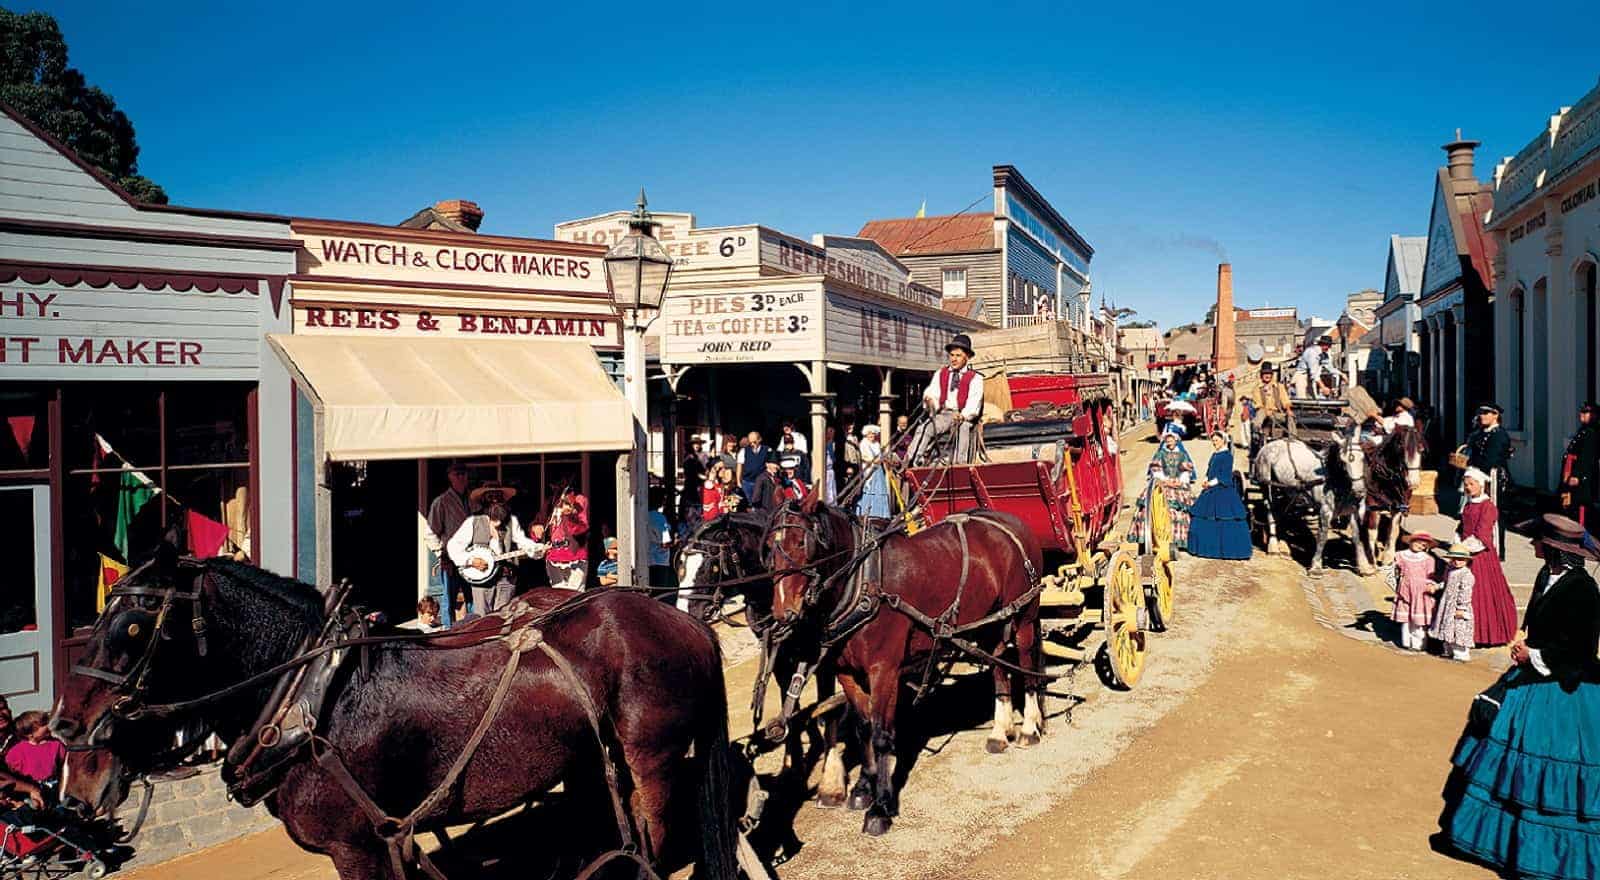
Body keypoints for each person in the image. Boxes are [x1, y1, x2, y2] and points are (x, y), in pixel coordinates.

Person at [1437, 514, 1600, 879]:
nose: (1532, 545)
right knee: (1495, 741)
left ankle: (1551, 857)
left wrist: (1535, 656)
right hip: (1531, 677)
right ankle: (1495, 841)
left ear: (1555, 549)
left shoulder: (1584, 591)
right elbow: (1541, 625)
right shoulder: (1546, 576)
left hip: (1563, 688)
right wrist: (1526, 643)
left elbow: (1580, 650)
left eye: (1538, 541)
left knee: (1551, 766)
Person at [446, 486, 542, 613]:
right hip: (481, 581)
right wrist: (471, 561)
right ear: (483, 501)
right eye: (490, 497)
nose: (495, 501)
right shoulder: (474, 522)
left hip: (506, 579)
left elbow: (523, 542)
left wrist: (537, 549)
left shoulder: (511, 521)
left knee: (504, 620)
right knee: (482, 621)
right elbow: (453, 546)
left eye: (498, 497)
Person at [1457, 468, 1516, 647]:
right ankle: (1461, 632)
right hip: (1464, 554)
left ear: (1481, 485)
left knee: (1481, 595)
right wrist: (1457, 542)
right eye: (1466, 484)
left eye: (1471, 484)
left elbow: (1483, 534)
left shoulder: (1488, 506)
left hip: (1480, 556)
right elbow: (1461, 527)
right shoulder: (1468, 504)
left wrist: (1463, 548)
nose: (1468, 487)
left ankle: (1483, 634)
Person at [906, 333, 985, 465]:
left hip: (962, 416)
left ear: (967, 357)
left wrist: (963, 415)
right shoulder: (941, 373)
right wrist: (930, 401)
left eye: (958, 355)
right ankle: (911, 459)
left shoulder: (975, 378)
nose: (954, 359)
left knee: (963, 428)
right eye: (952, 355)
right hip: (944, 415)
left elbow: (974, 403)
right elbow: (933, 393)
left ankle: (960, 463)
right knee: (925, 427)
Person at [1186, 431, 1251, 559]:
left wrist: (1211, 483)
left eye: (1216, 440)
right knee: (1203, 515)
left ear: (1223, 441)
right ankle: (1206, 548)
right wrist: (1205, 479)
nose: (1214, 443)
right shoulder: (1215, 454)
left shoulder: (1227, 456)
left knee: (1224, 517)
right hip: (1210, 488)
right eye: (1213, 441)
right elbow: (1210, 470)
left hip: (1222, 489)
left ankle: (1227, 550)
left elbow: (1225, 475)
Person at [1131, 424, 1195, 552]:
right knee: (1153, 505)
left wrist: (1179, 481)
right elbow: (1156, 470)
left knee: (1179, 509)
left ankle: (1177, 539)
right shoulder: (1160, 454)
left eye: (1171, 439)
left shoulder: (1182, 455)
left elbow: (1186, 472)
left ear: (1176, 440)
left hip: (1177, 485)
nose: (1169, 441)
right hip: (1163, 484)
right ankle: (1151, 537)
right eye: (1167, 439)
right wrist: (1165, 481)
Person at [424, 461, 472, 626]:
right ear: (450, 477)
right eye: (456, 474)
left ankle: (472, 632)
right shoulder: (441, 502)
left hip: (472, 557)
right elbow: (430, 533)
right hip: (450, 558)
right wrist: (441, 554)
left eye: (463, 473)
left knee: (471, 597)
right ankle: (448, 632)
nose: (460, 477)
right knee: (448, 598)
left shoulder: (472, 500)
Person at [1392, 533, 1440, 652]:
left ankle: (1418, 644)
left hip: (1421, 590)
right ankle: (1406, 641)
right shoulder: (1401, 555)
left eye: (1423, 544)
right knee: (1406, 617)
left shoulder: (1428, 559)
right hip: (1405, 588)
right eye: (1417, 542)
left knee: (1418, 618)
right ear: (1411, 541)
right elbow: (1394, 570)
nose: (1420, 545)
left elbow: (1431, 576)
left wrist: (1431, 585)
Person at [1429, 543, 1475, 661]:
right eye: (1454, 559)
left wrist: (1462, 608)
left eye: (1460, 559)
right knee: (1448, 626)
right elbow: (1446, 583)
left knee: (1458, 628)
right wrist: (1437, 587)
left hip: (1457, 606)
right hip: (1447, 604)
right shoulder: (1450, 570)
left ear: (1466, 560)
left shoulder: (1466, 574)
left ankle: (1461, 654)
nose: (1457, 562)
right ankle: (1448, 650)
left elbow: (1465, 592)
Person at [1462, 403, 1511, 507]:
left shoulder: (1499, 434)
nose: (1481, 416)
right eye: (1480, 413)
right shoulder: (1481, 432)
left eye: (1485, 413)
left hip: (1492, 476)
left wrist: (1472, 464)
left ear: (1495, 415)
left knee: (1489, 508)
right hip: (1479, 475)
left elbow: (1491, 460)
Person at [1560, 402, 1600, 525]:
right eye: (1581, 411)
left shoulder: (1591, 433)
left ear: (1593, 415)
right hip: (1572, 471)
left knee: (1581, 507)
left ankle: (1582, 536)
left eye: (1585, 411)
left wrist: (1577, 475)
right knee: (1570, 503)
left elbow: (1586, 457)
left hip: (1583, 477)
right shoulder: (1583, 430)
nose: (1581, 414)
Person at [544, 490, 589, 590]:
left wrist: (570, 516)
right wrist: (536, 528)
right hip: (553, 557)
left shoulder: (579, 499)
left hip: (574, 555)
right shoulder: (552, 500)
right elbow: (541, 521)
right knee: (558, 597)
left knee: (574, 598)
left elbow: (581, 528)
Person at [4, 711, 64, 786]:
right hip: (31, 786)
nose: (48, 726)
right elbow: (11, 770)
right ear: (30, 734)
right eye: (43, 725)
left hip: (55, 783)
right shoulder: (16, 752)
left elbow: (64, 763)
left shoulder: (56, 744)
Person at [1250, 362, 1296, 450]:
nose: (1267, 375)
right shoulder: (1257, 388)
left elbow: (1285, 400)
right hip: (1263, 411)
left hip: (1276, 412)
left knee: (1290, 417)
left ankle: (1292, 440)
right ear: (1261, 375)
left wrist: (1288, 409)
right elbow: (1258, 404)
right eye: (1265, 374)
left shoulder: (1279, 386)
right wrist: (1266, 411)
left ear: (1272, 375)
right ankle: (1257, 435)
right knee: (1258, 418)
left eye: (1269, 373)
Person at [857, 424, 892, 519]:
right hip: (869, 469)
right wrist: (873, 461)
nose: (872, 436)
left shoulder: (876, 444)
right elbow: (864, 457)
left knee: (880, 490)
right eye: (870, 434)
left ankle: (881, 513)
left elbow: (880, 456)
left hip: (878, 469)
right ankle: (867, 512)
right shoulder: (863, 443)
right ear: (866, 434)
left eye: (873, 434)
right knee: (869, 490)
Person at [646, 486, 674, 594]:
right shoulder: (659, 518)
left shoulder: (642, 515)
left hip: (646, 561)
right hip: (659, 562)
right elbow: (665, 542)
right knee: (660, 595)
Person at [738, 431, 769, 501]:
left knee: (760, 503)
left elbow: (770, 465)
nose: (752, 444)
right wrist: (738, 481)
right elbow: (739, 466)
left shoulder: (767, 450)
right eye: (750, 442)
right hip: (747, 482)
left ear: (759, 439)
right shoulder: (744, 451)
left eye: (754, 442)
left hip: (761, 483)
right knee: (749, 503)